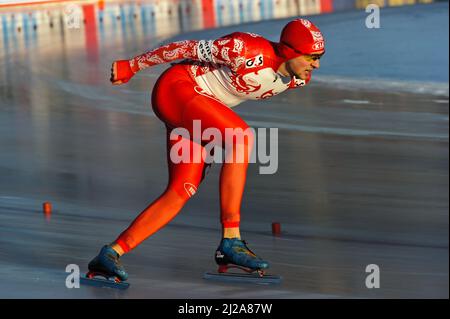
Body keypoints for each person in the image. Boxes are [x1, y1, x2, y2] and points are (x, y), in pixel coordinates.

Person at [87, 18, 325, 281]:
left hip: (199, 111)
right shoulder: (244, 49)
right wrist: (132, 65)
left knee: (181, 190)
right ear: (290, 51)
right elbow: (183, 48)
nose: (316, 64)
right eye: (312, 57)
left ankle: (110, 254)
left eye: (319, 57)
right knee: (242, 138)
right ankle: (231, 241)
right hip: (177, 89)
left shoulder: (298, 79)